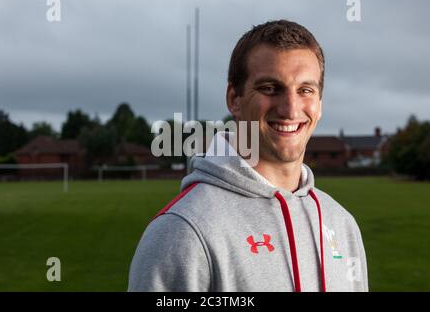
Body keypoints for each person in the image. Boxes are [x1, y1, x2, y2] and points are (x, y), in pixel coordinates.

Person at [128, 20, 368, 292]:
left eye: (305, 90)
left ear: (320, 104)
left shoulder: (341, 223)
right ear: (234, 99)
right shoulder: (182, 231)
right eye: (270, 88)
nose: (290, 109)